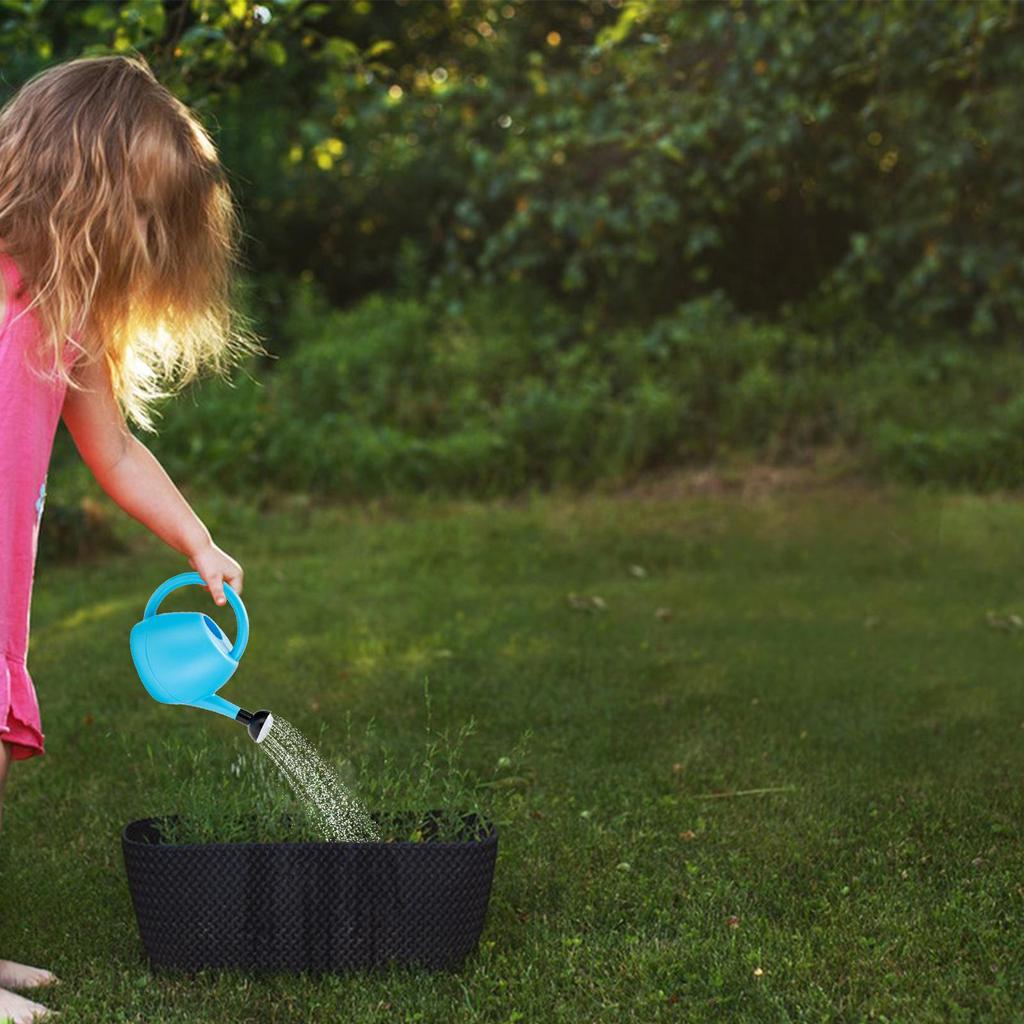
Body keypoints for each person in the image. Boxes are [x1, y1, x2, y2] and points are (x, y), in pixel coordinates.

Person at [0, 53, 261, 1023]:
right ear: (69, 178)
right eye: (139, 210)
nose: (150, 238)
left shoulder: (74, 318)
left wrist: (197, 540)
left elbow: (112, 447)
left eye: (161, 221)